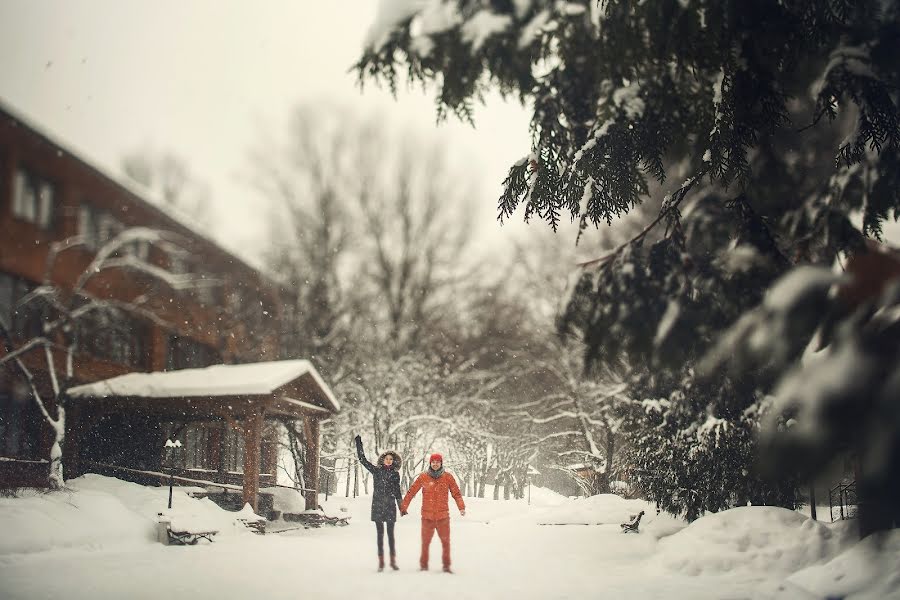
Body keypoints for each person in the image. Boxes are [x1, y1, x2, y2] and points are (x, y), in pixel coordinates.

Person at [400, 452, 466, 573]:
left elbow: (456, 493)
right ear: (430, 463)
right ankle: (423, 566)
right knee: (425, 543)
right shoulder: (423, 477)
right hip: (427, 517)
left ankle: (446, 566)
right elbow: (411, 492)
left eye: (437, 462)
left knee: (446, 542)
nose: (435, 464)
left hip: (443, 517)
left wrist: (461, 507)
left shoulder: (448, 477)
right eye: (433, 462)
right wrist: (403, 507)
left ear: (441, 463)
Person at [355, 434, 404, 571]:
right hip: (377, 505)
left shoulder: (395, 474)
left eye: (391, 459)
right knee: (380, 534)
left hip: (390, 506)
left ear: (393, 461)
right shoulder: (376, 471)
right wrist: (359, 443)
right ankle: (381, 561)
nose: (388, 461)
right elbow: (362, 460)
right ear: (383, 460)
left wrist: (401, 506)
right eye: (386, 458)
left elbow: (397, 490)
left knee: (390, 534)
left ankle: (393, 561)